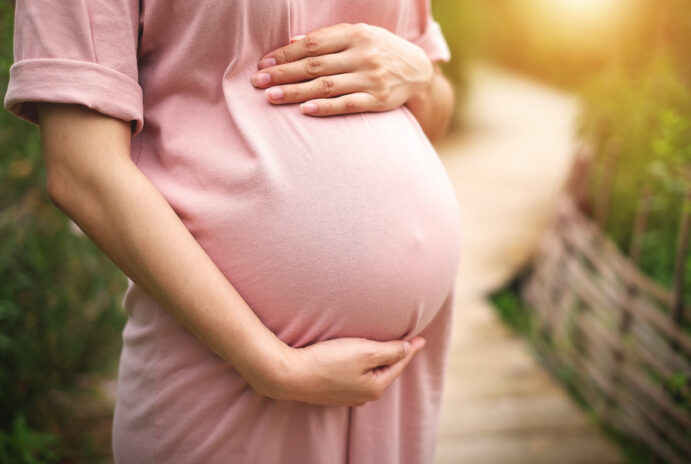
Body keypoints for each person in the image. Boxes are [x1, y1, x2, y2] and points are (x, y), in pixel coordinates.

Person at [4, 0, 462, 462]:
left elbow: (434, 115)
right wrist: (275, 366)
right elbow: (83, 173)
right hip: (226, 366)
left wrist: (419, 74)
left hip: (396, 379)